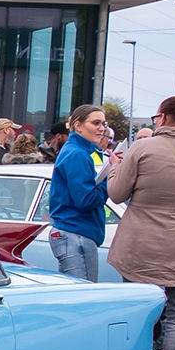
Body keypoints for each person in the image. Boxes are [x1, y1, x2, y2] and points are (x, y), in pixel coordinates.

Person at [106, 96, 175, 350]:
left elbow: (117, 192)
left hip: (142, 243)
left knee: (140, 308)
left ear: (163, 117)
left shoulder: (143, 148)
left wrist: (115, 169)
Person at [47, 103, 110, 282]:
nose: (101, 129)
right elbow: (86, 199)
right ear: (78, 125)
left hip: (74, 231)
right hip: (76, 232)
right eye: (96, 123)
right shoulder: (77, 154)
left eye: (103, 124)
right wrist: (110, 179)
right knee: (82, 296)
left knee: (77, 294)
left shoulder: (78, 151)